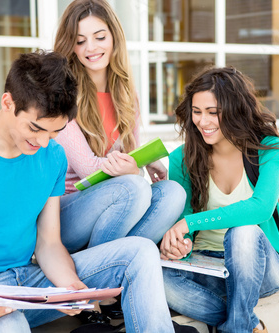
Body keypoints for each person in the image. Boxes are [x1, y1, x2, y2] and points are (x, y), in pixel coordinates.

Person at [0, 51, 179, 333]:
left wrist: (70, 286)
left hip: (28, 284)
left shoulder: (53, 156)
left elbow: (49, 244)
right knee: (10, 327)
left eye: (54, 133)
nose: (43, 142)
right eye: (35, 128)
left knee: (139, 252)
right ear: (8, 103)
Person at [159, 67, 279, 333]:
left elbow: (261, 208)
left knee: (243, 231)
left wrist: (189, 223)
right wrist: (180, 246)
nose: (203, 121)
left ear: (235, 109)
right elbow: (182, 219)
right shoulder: (182, 157)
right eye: (197, 112)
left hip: (259, 267)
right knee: (157, 277)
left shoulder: (269, 148)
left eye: (213, 112)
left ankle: (235, 326)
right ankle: (244, 322)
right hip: (205, 265)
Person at [53, 0, 185, 254]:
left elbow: (127, 162)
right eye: (80, 41)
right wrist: (134, 171)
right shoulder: (64, 95)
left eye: (99, 37)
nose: (91, 48)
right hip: (65, 213)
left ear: (114, 36)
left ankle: (113, 261)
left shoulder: (126, 94)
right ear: (71, 46)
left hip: (112, 204)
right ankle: (99, 270)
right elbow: (90, 170)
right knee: (133, 187)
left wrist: (144, 161)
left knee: (173, 192)